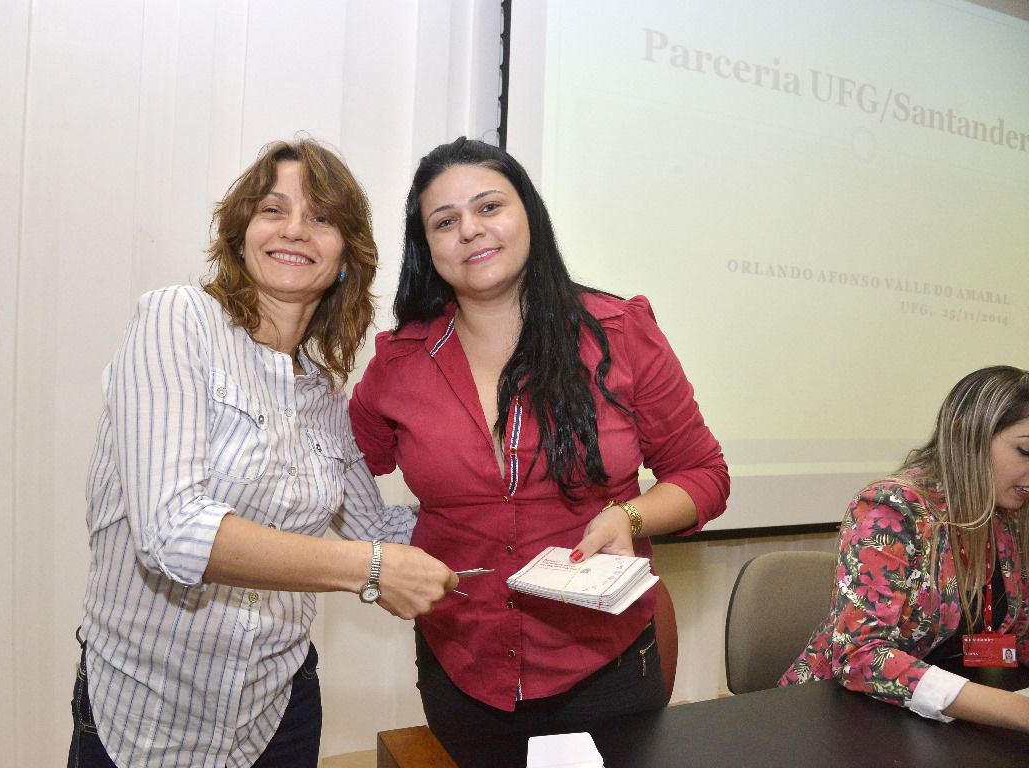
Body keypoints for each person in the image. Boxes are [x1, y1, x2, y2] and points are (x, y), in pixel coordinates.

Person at [68, 138, 457, 768]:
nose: (296, 230)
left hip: (279, 711)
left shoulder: (324, 393)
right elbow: (172, 531)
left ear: (345, 258)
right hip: (146, 715)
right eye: (274, 210)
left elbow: (380, 529)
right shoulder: (178, 320)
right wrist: (370, 568)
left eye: (322, 217)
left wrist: (512, 501)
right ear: (241, 230)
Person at [348, 137, 729, 762]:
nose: (470, 230)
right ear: (427, 246)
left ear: (529, 212)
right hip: (460, 669)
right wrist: (377, 557)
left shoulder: (619, 332)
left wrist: (628, 516)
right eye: (445, 221)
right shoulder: (399, 361)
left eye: (489, 206)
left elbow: (704, 475)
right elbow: (332, 471)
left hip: (605, 666)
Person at [781, 365, 1029, 733]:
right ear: (964, 434)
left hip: (937, 721)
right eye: (1025, 450)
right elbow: (861, 657)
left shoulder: (1003, 513)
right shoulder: (890, 509)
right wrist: (1017, 711)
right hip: (840, 719)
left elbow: (1016, 634)